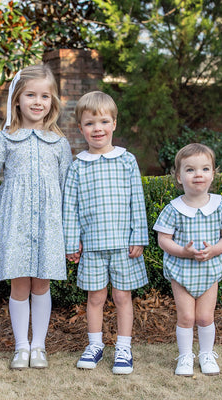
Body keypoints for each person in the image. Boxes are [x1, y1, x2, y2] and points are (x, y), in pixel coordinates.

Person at [0, 64, 72, 370]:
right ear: (17, 100)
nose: (38, 102)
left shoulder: (60, 144)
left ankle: (39, 346)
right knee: (20, 286)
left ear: (52, 102)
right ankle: (22, 346)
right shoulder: (3, 140)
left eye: (45, 96)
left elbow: (67, 190)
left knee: (42, 285)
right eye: (31, 95)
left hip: (49, 224)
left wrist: (73, 233)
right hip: (16, 221)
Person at [62, 91, 149, 375]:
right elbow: (70, 209)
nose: (97, 128)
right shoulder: (78, 167)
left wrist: (139, 237)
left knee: (123, 297)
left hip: (125, 246)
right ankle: (95, 345)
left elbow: (138, 200)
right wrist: (71, 241)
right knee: (95, 299)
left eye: (103, 121)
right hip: (93, 247)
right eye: (89, 123)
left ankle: (123, 348)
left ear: (114, 124)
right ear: (80, 129)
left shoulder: (126, 161)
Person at [152, 143, 222, 377]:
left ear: (212, 174)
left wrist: (214, 250)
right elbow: (163, 240)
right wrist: (184, 251)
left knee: (204, 317)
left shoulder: (220, 206)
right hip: (182, 271)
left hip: (209, 270)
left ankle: (206, 355)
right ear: (179, 177)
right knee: (187, 317)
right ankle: (185, 357)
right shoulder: (173, 209)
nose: (198, 174)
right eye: (190, 170)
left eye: (205, 169)